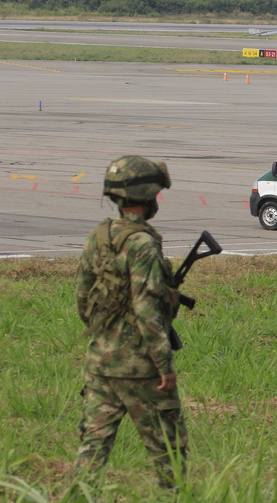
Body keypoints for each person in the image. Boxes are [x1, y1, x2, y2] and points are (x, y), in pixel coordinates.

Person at [74, 156, 187, 490]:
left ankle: (80, 496)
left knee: (92, 447)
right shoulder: (143, 244)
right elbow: (146, 309)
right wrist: (164, 364)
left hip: (100, 363)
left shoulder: (99, 237)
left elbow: (83, 300)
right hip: (140, 369)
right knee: (169, 450)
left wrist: (105, 339)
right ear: (149, 197)